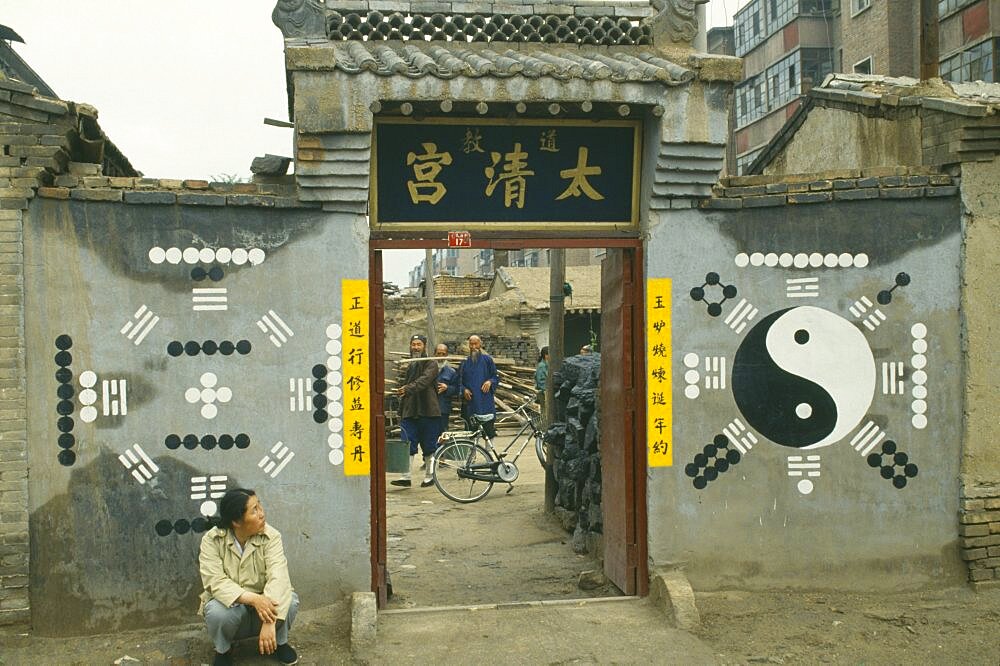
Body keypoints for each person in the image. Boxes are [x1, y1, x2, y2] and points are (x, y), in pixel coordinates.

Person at [199, 489, 299, 666]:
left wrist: (269, 621)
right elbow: (215, 581)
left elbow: (279, 576)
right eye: (254, 510)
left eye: (260, 505)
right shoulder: (212, 540)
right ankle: (223, 650)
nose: (262, 513)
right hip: (236, 607)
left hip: (264, 609)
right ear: (236, 521)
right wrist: (254, 599)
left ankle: (279, 642)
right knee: (216, 612)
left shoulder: (271, 536)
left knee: (289, 600)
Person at [392, 334, 441, 488]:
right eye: (413, 344)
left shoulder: (431, 364)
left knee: (429, 445)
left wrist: (407, 389)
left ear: (424, 346)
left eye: (419, 344)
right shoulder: (411, 365)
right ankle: (405, 476)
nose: (415, 347)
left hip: (428, 411)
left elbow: (424, 381)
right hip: (411, 411)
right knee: (407, 442)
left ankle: (429, 476)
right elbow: (407, 386)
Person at [459, 335, 499, 438]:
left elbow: (495, 376)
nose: (473, 347)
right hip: (470, 402)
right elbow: (459, 381)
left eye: (475, 344)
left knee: (488, 431)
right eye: (471, 344)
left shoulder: (487, 360)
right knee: (470, 432)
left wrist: (490, 382)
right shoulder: (464, 362)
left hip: (485, 401)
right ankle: (471, 454)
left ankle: (489, 452)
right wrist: (464, 390)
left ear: (480, 344)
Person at [434, 343, 461, 436]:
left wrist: (447, 388)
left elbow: (457, 389)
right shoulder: (428, 369)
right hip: (429, 408)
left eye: (443, 354)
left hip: (443, 408)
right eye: (438, 353)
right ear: (434, 354)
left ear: (446, 355)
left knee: (442, 434)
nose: (440, 357)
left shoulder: (451, 371)